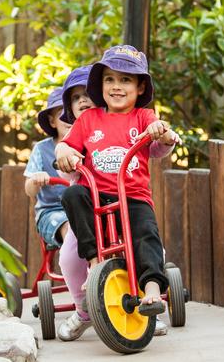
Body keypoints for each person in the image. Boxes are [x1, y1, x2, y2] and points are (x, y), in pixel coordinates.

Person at [55, 45, 181, 319]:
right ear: (100, 85)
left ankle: (150, 291)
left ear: (139, 87)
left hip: (133, 196)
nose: (116, 86)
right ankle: (95, 265)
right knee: (72, 195)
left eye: (125, 80)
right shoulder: (89, 119)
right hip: (96, 196)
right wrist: (63, 150)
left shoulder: (144, 117)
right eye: (109, 79)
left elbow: (162, 135)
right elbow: (67, 145)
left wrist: (162, 133)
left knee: (146, 234)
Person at [52, 65, 96, 342]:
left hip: (120, 206)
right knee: (69, 258)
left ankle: (141, 311)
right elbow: (66, 170)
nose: (83, 100)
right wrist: (65, 154)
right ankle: (83, 310)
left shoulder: (115, 126)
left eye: (88, 93)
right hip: (85, 211)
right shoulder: (75, 134)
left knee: (143, 249)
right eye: (75, 96)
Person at [24, 87, 71, 249]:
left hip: (85, 211)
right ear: (52, 121)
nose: (67, 118)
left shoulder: (87, 146)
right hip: (52, 212)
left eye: (71, 112)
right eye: (61, 114)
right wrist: (36, 179)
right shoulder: (42, 149)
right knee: (70, 228)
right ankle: (78, 270)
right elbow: (29, 190)